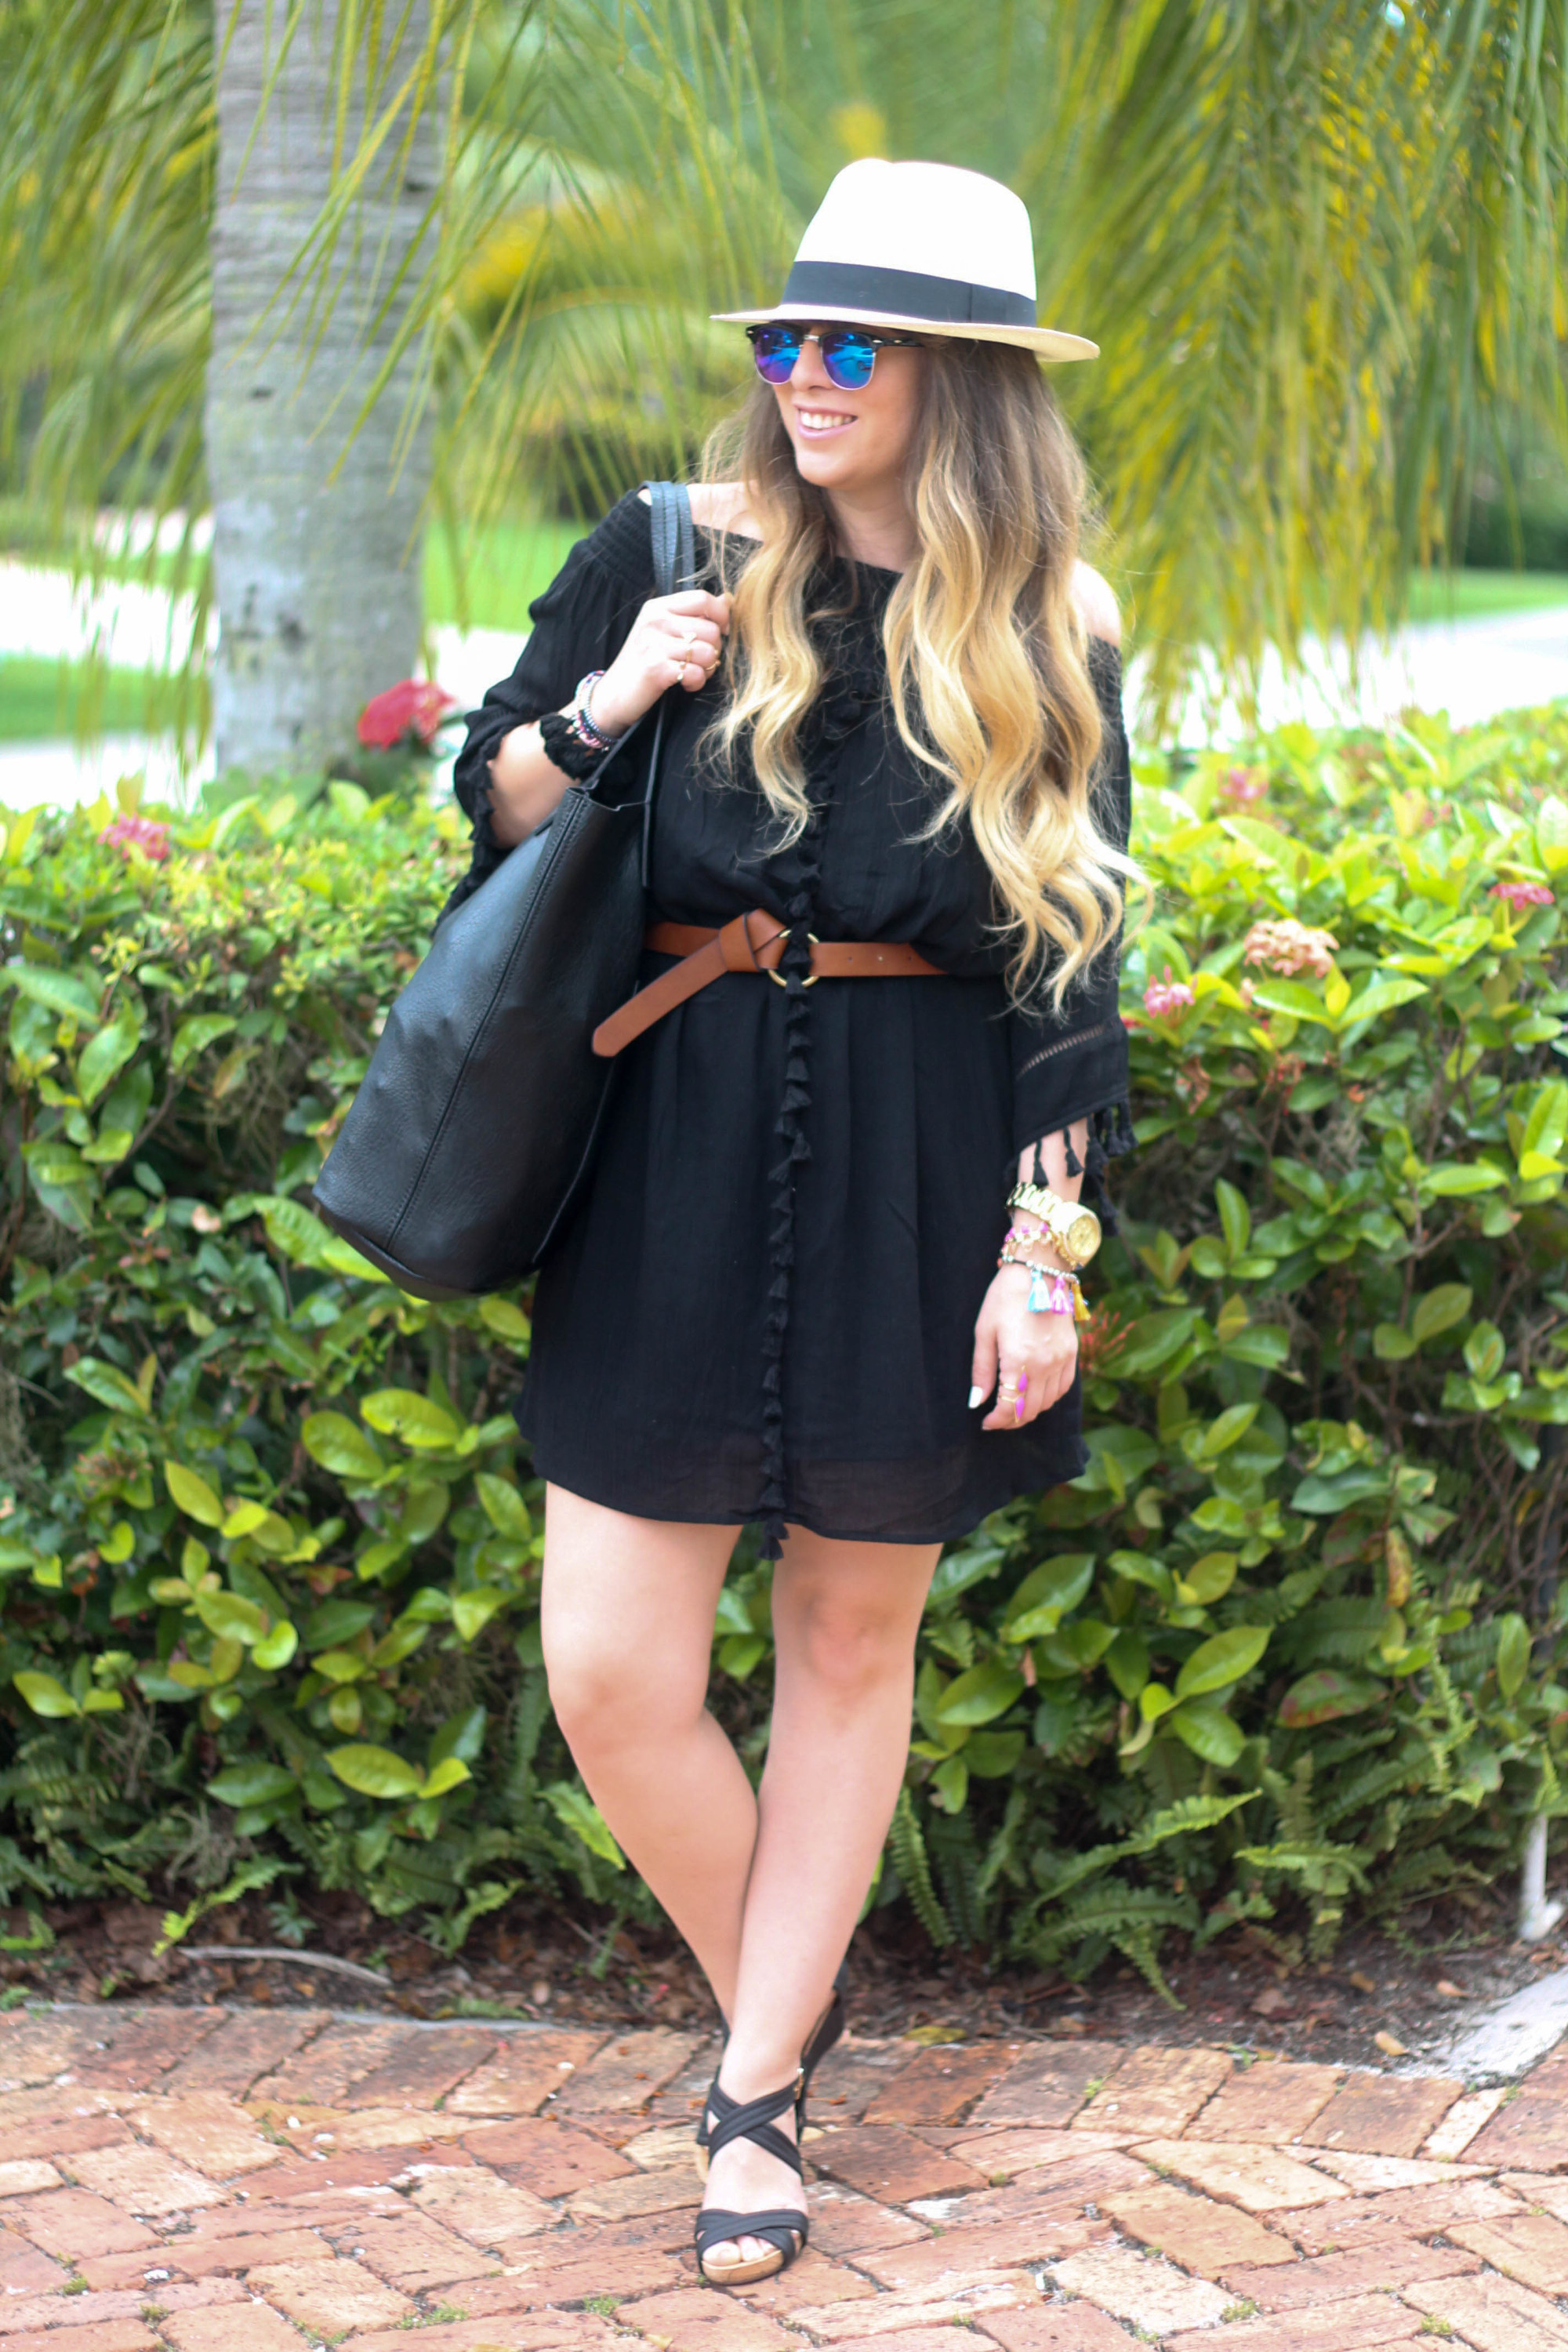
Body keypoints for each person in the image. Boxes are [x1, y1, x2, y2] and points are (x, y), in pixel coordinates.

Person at [450, 158, 1138, 2289]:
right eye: (784, 342)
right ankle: (799, 1992)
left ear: (962, 381)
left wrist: (1046, 1256)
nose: (803, 377)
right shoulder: (667, 548)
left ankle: (753, 2098)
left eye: (851, 346)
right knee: (611, 1670)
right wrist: (610, 702)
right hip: (671, 1139)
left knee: (852, 1642)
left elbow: (1071, 979)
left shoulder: (1056, 625)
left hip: (928, 1168)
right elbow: (484, 797)